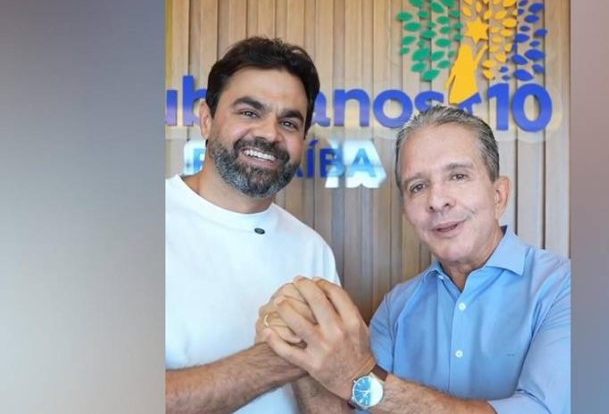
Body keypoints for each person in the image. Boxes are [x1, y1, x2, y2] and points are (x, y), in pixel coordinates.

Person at [261, 105, 571, 413]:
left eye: (458, 176)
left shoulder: (564, 287)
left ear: (498, 194)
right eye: (418, 186)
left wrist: (359, 376)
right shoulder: (396, 307)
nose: (437, 200)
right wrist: (302, 349)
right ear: (406, 212)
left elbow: (540, 410)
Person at [165, 36, 347, 413]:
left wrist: (317, 364)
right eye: (249, 112)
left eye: (289, 122)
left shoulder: (312, 250)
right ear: (206, 119)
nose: (269, 133)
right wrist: (278, 358)